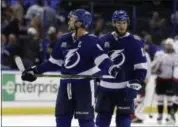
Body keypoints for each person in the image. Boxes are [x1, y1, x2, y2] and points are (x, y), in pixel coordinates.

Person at [21, 9, 124, 127]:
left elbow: (102, 60)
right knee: (61, 120)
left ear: (80, 23)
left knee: (85, 122)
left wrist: (112, 69)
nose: (69, 21)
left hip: (84, 86)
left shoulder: (92, 41)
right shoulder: (63, 40)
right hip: (65, 85)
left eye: (72, 19)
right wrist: (35, 71)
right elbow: (53, 63)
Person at [95, 10, 147, 127]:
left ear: (127, 23)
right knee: (101, 121)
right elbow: (95, 61)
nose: (122, 26)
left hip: (125, 88)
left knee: (123, 121)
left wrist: (136, 83)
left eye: (124, 23)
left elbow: (141, 68)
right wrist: (96, 77)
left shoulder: (136, 42)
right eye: (119, 23)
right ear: (114, 23)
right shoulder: (103, 40)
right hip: (105, 88)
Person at [151, 38, 176, 124]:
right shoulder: (159, 54)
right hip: (160, 79)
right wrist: (155, 70)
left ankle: (169, 116)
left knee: (169, 99)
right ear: (165, 45)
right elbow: (152, 66)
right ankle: (160, 115)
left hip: (170, 80)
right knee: (160, 98)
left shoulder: (176, 55)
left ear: (172, 45)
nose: (168, 46)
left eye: (170, 44)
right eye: (167, 44)